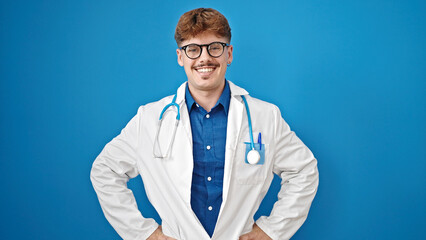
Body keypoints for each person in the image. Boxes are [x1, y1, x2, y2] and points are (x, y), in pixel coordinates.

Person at [91, 8, 319, 240]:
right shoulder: (150, 119)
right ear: (180, 57)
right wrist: (146, 235)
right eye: (193, 49)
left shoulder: (265, 116)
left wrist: (271, 232)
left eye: (215, 47)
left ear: (229, 54)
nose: (204, 58)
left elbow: (304, 170)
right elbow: (105, 170)